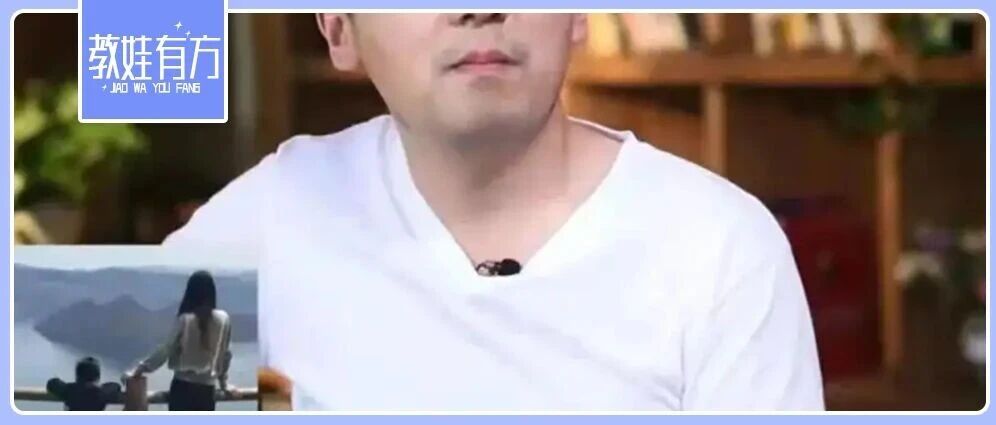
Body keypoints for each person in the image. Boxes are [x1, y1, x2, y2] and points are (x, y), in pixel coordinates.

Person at [166, 14, 824, 410]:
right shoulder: (273, 212)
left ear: (576, 17)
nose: (480, 11)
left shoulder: (720, 248)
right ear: (338, 28)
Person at [127, 271, 233, 411]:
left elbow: (166, 349)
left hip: (182, 389)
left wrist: (140, 369)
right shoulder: (223, 319)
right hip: (207, 392)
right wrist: (224, 384)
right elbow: (225, 355)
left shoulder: (185, 319)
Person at [46, 357, 122, 411]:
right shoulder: (102, 393)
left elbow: (52, 383)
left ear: (78, 375)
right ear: (97, 377)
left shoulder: (69, 390)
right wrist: (99, 387)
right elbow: (116, 386)